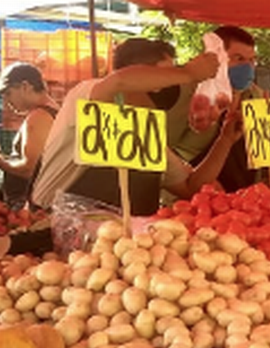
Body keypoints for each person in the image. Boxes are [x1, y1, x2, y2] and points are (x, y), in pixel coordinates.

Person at [30, 39, 239, 217]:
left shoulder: (145, 135)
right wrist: (188, 73)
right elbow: (119, 82)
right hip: (53, 226)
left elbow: (191, 186)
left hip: (124, 248)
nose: (169, 86)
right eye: (163, 76)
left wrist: (226, 140)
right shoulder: (87, 96)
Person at [169, 26, 266, 194]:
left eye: (251, 60)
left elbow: (263, 145)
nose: (247, 67)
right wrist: (193, 176)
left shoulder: (255, 94)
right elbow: (162, 146)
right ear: (216, 58)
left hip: (242, 199)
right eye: (238, 58)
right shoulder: (189, 92)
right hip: (191, 198)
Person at [0, 63, 58, 208]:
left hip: (28, 204)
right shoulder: (52, 111)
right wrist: (1, 157)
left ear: (25, 87)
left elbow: (28, 170)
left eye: (8, 93)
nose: (6, 101)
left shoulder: (38, 117)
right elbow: (39, 162)